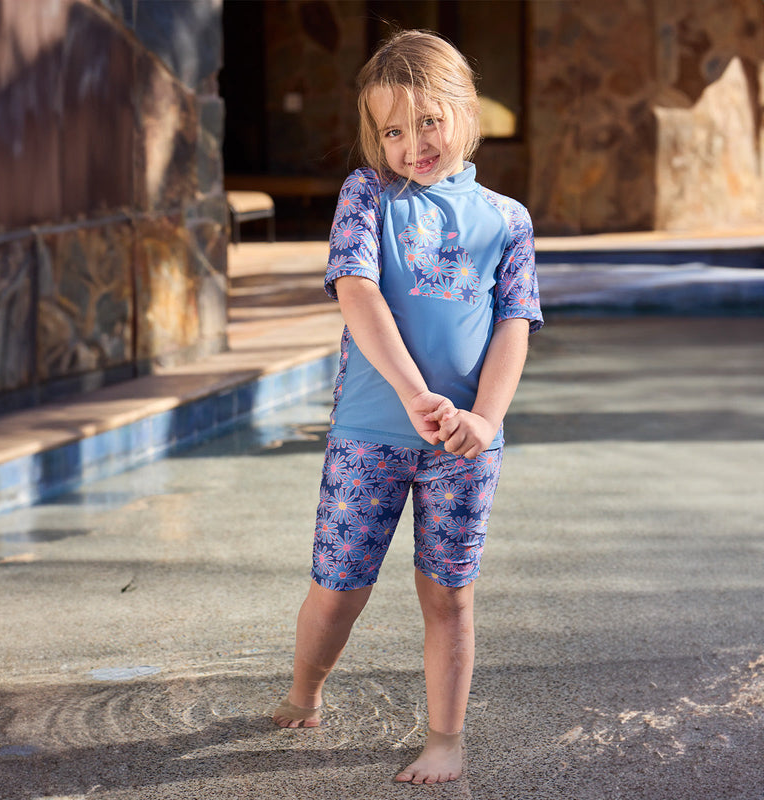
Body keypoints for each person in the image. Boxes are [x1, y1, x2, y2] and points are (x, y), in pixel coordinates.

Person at [272, 29, 543, 785]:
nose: (413, 142)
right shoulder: (368, 196)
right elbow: (356, 292)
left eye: (428, 120)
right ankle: (306, 689)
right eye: (393, 130)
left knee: (449, 596)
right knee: (338, 586)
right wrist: (412, 391)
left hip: (464, 446)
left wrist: (483, 421)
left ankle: (445, 738)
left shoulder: (507, 220)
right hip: (369, 433)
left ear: (465, 111)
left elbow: (514, 329)